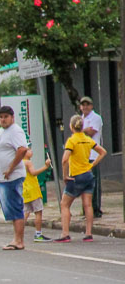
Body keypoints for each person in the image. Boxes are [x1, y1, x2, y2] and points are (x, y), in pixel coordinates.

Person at [56, 114, 107, 243]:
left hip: (76, 175)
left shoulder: (72, 140)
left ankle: (65, 233)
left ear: (71, 126)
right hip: (88, 175)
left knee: (65, 204)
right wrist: (92, 164)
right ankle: (88, 233)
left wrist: (65, 175)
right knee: (88, 205)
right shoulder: (87, 139)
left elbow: (64, 160)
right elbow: (103, 152)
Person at [0, 105, 30, 250]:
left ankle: (19, 240)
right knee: (11, 209)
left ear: (12, 117)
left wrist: (10, 168)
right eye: (1, 117)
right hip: (3, 178)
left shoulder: (15, 130)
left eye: (6, 116)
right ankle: (16, 239)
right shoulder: (4, 132)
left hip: (11, 177)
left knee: (15, 206)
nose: (3, 119)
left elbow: (22, 149)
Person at [78, 96, 104, 217]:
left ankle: (96, 210)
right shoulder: (81, 119)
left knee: (94, 183)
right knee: (85, 184)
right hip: (82, 156)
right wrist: (84, 130)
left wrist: (80, 131)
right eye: (83, 105)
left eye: (87, 104)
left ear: (91, 106)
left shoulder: (96, 117)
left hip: (93, 155)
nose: (85, 107)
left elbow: (91, 132)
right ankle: (86, 211)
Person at [21, 150, 52, 242]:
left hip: (25, 190)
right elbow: (33, 172)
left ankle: (19, 233)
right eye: (29, 150)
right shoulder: (28, 162)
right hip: (33, 190)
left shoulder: (20, 163)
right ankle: (38, 234)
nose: (31, 151)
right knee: (38, 212)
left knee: (25, 213)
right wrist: (46, 166)